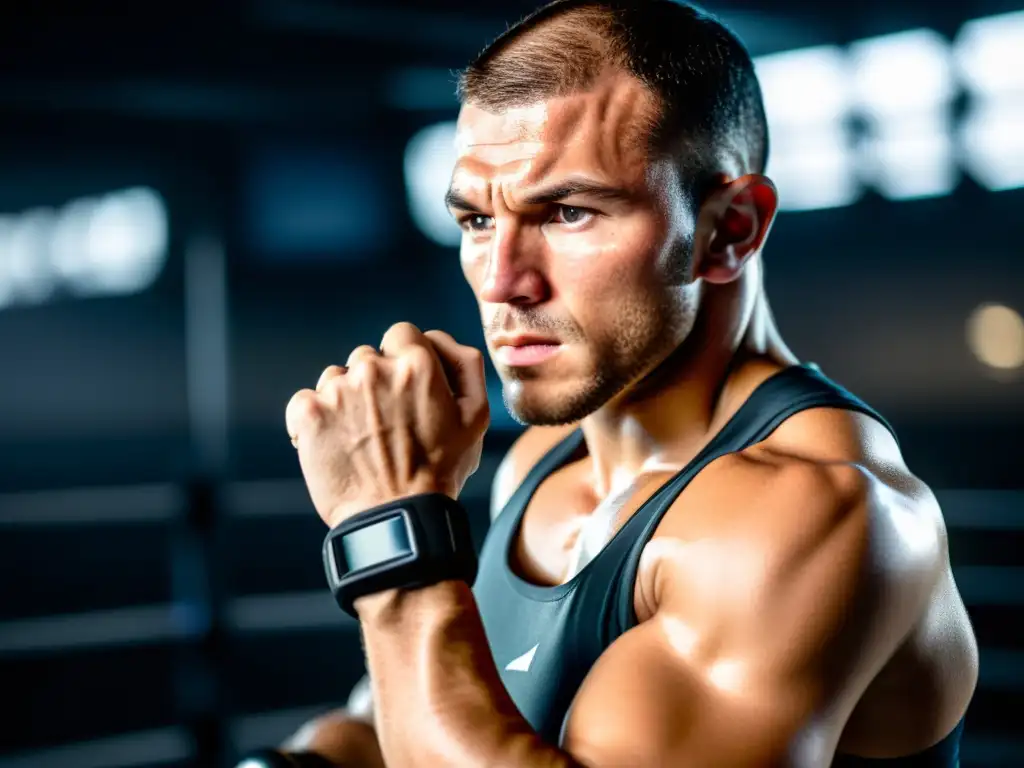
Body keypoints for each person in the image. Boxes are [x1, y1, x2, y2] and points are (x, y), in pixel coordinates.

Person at [271, 0, 979, 765]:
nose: (502, 282)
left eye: (568, 213)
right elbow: (396, 722)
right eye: (477, 221)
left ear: (728, 229)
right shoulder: (538, 465)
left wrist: (392, 536)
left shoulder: (819, 515)